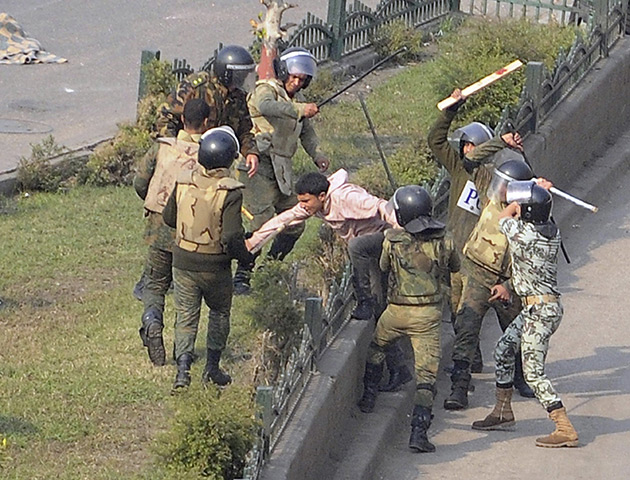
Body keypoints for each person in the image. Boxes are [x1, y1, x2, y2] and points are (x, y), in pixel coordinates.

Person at [246, 169, 413, 390]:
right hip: (367, 251)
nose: (303, 205)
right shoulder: (315, 203)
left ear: (322, 196)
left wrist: (402, 237)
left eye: (306, 200)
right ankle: (398, 368)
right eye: (301, 201)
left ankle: (364, 300)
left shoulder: (346, 197)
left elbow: (382, 206)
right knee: (380, 310)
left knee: (358, 251)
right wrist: (253, 243)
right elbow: (285, 218)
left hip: (382, 239)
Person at [427, 88, 532, 391]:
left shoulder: (494, 179)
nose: (471, 150)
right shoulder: (462, 170)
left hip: (490, 262)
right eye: (469, 146)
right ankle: (468, 365)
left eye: (478, 146)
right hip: (458, 256)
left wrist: (507, 147)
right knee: (463, 317)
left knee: (508, 317)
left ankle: (518, 372)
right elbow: (435, 140)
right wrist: (451, 110)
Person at [472, 181, 578, 448]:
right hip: (539, 307)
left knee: (533, 373)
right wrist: (537, 195)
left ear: (528, 212)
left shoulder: (524, 234)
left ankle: (564, 426)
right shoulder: (551, 232)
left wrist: (515, 205)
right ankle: (502, 411)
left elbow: (502, 216)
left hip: (539, 312)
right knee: (504, 348)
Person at [357, 185, 460, 454]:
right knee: (426, 377)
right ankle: (418, 433)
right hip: (428, 317)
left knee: (377, 347)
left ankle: (369, 396)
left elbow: (382, 267)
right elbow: (455, 267)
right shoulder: (445, 239)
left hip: (397, 312)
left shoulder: (392, 241)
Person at [444, 159, 544, 410]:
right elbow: (471, 161)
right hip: (478, 274)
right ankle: (459, 386)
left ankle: (521, 377)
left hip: (507, 282)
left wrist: (541, 194)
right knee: (466, 329)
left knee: (515, 332)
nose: (499, 189)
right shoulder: (487, 195)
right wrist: (500, 140)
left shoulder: (530, 217)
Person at [162, 126, 254, 390]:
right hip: (215, 267)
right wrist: (246, 259)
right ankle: (212, 368)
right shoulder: (231, 191)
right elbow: (232, 236)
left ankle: (182, 372)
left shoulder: (183, 182)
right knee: (219, 313)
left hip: (182, 261)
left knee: (186, 315)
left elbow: (169, 218)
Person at [232, 47, 329, 295]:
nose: (296, 83)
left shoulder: (294, 103)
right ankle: (242, 274)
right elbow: (265, 106)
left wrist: (317, 154)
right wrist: (299, 110)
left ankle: (270, 269)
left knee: (297, 220)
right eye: (293, 77)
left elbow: (306, 131)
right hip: (258, 166)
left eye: (302, 80)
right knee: (261, 222)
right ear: (283, 71)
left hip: (282, 171)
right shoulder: (267, 88)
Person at [134, 98, 211, 366]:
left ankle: (152, 320)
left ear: (181, 120)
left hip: (159, 228)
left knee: (154, 283)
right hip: (193, 233)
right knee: (186, 291)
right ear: (206, 123)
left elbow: (140, 182)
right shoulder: (210, 152)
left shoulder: (161, 148)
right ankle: (183, 349)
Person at [155, 45, 260, 176]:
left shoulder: (238, 97)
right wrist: (173, 148)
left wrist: (251, 152)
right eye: (240, 75)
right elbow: (166, 117)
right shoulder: (197, 87)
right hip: (186, 153)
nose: (243, 79)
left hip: (217, 158)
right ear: (227, 74)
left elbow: (244, 129)